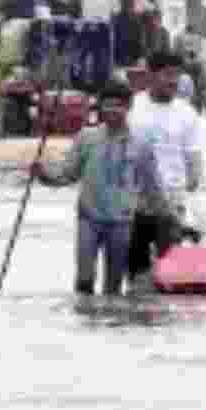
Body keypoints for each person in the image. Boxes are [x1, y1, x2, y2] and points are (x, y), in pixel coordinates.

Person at [31, 83, 170, 296]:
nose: (112, 110)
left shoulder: (141, 144)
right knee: (84, 279)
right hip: (89, 217)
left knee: (112, 286)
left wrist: (168, 219)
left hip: (122, 221)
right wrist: (43, 174)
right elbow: (67, 174)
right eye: (107, 105)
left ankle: (109, 324)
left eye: (118, 106)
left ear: (128, 107)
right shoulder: (87, 138)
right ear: (100, 107)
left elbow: (153, 187)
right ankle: (85, 322)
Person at [127, 51, 204, 287]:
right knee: (137, 275)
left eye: (176, 75)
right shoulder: (132, 106)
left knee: (169, 276)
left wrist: (189, 191)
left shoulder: (187, 113)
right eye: (167, 75)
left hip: (172, 204)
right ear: (151, 75)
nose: (172, 81)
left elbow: (193, 159)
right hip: (136, 202)